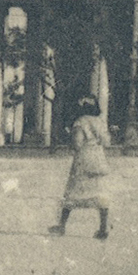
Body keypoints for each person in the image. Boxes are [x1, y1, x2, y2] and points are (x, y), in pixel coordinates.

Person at [50, 98, 111, 240]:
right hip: (98, 158)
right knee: (100, 193)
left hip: (84, 159)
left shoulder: (80, 122)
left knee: (72, 192)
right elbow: (107, 142)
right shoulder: (100, 122)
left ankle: (61, 226)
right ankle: (103, 229)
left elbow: (77, 143)